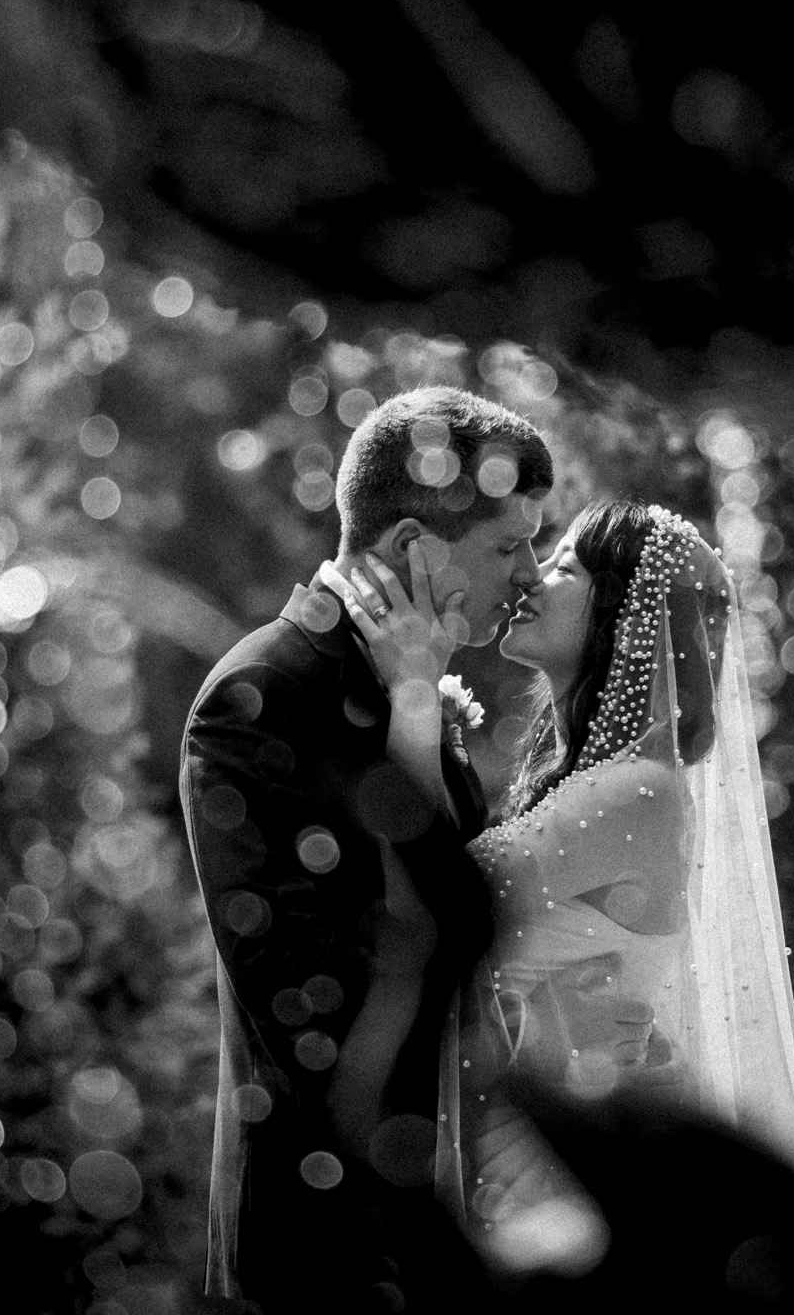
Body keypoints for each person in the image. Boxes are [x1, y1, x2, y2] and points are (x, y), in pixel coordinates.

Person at [331, 497, 794, 1277]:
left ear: (627, 622)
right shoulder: (583, 783)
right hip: (525, 1139)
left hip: (552, 1169)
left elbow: (434, 904)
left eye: (566, 565)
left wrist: (412, 688)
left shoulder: (635, 791)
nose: (533, 576)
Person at [178, 386, 553, 1313]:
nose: (531, 576)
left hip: (444, 1216)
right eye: (508, 546)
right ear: (412, 548)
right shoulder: (260, 695)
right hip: (331, 1238)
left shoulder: (414, 685)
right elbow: (298, 993)